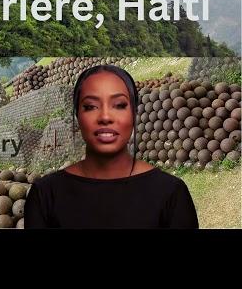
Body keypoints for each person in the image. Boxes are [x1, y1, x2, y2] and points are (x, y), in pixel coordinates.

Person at [25, 64, 198, 229]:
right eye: (91, 106)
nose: (105, 117)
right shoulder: (44, 196)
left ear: (134, 113)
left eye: (120, 105)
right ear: (77, 116)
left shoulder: (172, 193)